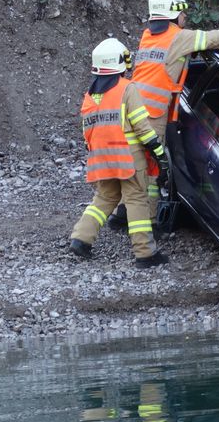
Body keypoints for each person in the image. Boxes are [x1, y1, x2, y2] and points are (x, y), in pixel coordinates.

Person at [107, 0, 219, 232]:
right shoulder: (179, 38)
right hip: (150, 115)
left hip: (129, 107)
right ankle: (146, 225)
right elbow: (216, 38)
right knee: (150, 169)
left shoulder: (149, 35)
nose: (185, 18)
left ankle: (121, 213)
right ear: (173, 13)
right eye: (183, 13)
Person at [68, 38, 169, 268]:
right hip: (128, 159)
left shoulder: (91, 95)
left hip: (101, 159)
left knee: (104, 199)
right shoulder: (127, 88)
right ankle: (145, 253)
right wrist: (159, 153)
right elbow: (142, 127)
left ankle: (81, 239)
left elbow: (88, 132)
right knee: (136, 200)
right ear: (118, 63)